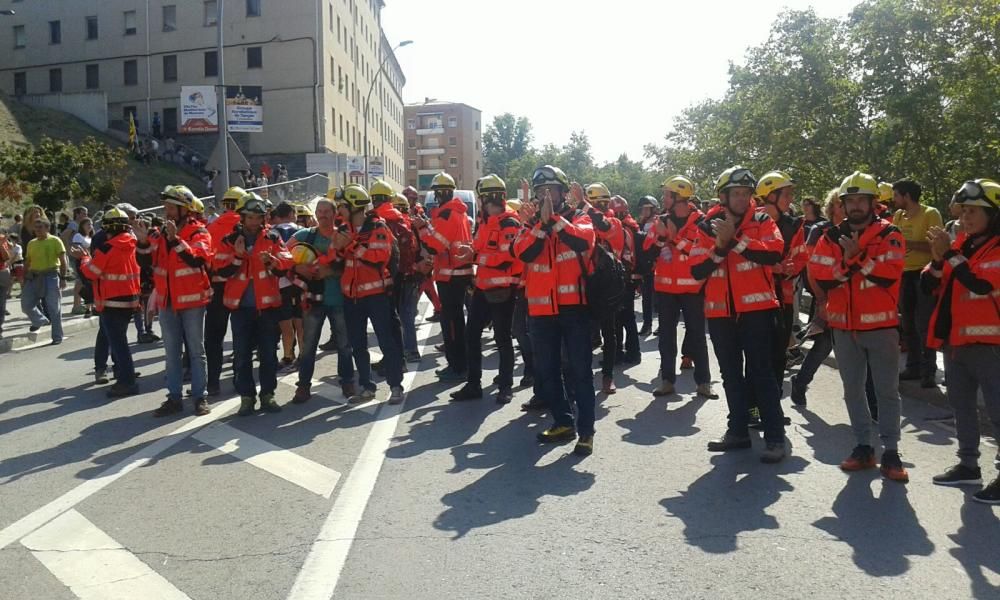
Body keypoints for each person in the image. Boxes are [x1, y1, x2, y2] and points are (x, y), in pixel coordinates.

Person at [810, 171, 908, 482]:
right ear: (842, 203)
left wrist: (856, 260)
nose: (855, 206)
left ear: (872, 202)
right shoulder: (830, 236)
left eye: (860, 200)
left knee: (886, 392)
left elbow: (889, 275)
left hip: (881, 328)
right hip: (844, 327)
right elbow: (821, 278)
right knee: (852, 391)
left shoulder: (889, 233)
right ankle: (864, 446)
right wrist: (854, 263)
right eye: (849, 200)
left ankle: (891, 452)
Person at [689, 166, 786, 463]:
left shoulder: (762, 220)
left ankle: (774, 438)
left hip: (757, 311)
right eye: (736, 194)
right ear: (724, 196)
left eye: (746, 193)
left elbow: (774, 253)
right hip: (721, 313)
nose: (742, 198)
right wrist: (720, 247)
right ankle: (738, 431)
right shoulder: (706, 226)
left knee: (762, 374)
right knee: (730, 375)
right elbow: (697, 270)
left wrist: (734, 241)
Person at [924, 179, 1000, 503]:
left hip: (991, 346)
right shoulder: (962, 245)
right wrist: (938, 260)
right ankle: (968, 465)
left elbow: (980, 284)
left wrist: (950, 254)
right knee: (962, 406)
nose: (965, 217)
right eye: (964, 211)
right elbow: (929, 283)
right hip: (958, 342)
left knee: (998, 412)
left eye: (973, 211)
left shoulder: (994, 248)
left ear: (993, 215)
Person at [513, 165, 596, 456]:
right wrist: (540, 226)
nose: (546, 196)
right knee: (547, 372)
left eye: (551, 190)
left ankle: (586, 432)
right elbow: (522, 252)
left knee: (580, 370)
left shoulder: (578, 217)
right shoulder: (530, 225)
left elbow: (584, 240)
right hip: (541, 312)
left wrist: (556, 221)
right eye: (541, 191)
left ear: (562, 192)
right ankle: (563, 422)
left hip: (574, 308)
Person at [136, 185, 213, 417]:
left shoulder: (199, 231)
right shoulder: (159, 233)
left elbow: (197, 260)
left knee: (196, 351)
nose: (166, 211)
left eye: (171, 207)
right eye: (166, 207)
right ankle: (174, 398)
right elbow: (146, 262)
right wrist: (142, 242)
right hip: (167, 302)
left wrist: (175, 239)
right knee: (171, 353)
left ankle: (200, 397)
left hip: (192, 302)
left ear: (184, 209)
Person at [215, 194, 293, 415]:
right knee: (242, 356)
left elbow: (286, 263)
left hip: (267, 309)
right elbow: (221, 269)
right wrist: (238, 256)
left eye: (258, 217)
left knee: (268, 355)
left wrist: (272, 261)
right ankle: (247, 398)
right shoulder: (229, 240)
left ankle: (268, 395)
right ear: (242, 217)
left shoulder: (272, 237)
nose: (255, 222)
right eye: (250, 217)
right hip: (241, 309)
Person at [451, 174, 521, 404]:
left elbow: (506, 259)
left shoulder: (509, 224)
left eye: (481, 198)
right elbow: (481, 247)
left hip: (503, 290)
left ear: (487, 198)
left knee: (502, 339)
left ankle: (505, 386)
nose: (479, 202)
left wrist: (475, 257)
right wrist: (470, 250)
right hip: (483, 288)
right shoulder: (486, 222)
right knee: (471, 335)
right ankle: (473, 384)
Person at [336, 184, 405, 404]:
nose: (340, 210)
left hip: (377, 296)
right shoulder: (343, 229)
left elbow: (378, 258)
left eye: (342, 205)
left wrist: (351, 245)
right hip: (352, 297)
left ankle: (396, 386)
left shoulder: (377, 227)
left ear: (354, 206)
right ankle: (367, 387)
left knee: (386, 341)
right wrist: (337, 249)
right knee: (358, 345)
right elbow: (335, 258)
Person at [648, 175, 715, 399]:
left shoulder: (701, 222)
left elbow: (699, 252)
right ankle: (667, 381)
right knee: (666, 337)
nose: (663, 198)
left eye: (667, 194)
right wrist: (660, 237)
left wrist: (674, 238)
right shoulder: (660, 220)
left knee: (697, 336)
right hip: (665, 290)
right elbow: (648, 252)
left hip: (692, 290)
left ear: (678, 197)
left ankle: (704, 383)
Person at [289, 198, 356, 403]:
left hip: (340, 299)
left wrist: (332, 271)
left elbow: (354, 263)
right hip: (313, 301)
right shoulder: (305, 235)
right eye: (319, 211)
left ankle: (347, 382)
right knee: (308, 346)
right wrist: (297, 267)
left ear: (335, 214)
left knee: (344, 345)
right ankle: (303, 386)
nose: (322, 214)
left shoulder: (344, 237)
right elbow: (283, 255)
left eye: (327, 211)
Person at [71, 208, 141, 398]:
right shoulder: (132, 243)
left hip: (111, 302)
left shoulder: (107, 248)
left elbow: (90, 272)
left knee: (118, 345)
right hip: (130, 300)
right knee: (121, 342)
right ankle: (124, 376)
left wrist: (84, 258)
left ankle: (127, 382)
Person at [414, 172, 474, 381]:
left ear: (439, 194)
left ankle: (456, 366)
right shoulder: (459, 213)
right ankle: (460, 364)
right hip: (459, 272)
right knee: (456, 322)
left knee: (451, 324)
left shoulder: (447, 214)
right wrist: (427, 225)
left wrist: (421, 229)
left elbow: (435, 245)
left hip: (450, 276)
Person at [755, 171, 807, 386]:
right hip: (755, 300)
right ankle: (755, 402)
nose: (791, 199)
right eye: (786, 194)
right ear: (770, 196)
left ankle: (773, 402)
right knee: (757, 356)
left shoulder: (794, 226)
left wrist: (791, 269)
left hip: (783, 299)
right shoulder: (751, 221)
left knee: (779, 354)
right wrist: (771, 267)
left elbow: (801, 257)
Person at [894, 178, 942, 388]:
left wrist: (908, 243)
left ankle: (928, 370)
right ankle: (913, 367)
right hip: (903, 275)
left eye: (896, 195)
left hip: (924, 275)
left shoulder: (930, 213)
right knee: (907, 324)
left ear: (906, 196)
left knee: (925, 323)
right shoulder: (898, 216)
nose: (894, 199)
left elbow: (937, 246)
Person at [369, 179, 416, 371]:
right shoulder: (400, 217)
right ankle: (398, 358)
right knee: (396, 318)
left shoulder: (376, 219)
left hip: (384, 275)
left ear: (374, 199)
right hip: (402, 273)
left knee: (386, 321)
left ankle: (393, 360)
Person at [204, 186, 246, 396]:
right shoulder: (248, 227)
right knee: (241, 336)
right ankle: (240, 379)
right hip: (241, 288)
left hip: (217, 288)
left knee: (214, 338)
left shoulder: (211, 227)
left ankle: (212, 382)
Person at [584, 182, 624, 394]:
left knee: (609, 332)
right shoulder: (582, 222)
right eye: (598, 203)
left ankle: (608, 375)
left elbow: (604, 227)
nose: (602, 206)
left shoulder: (613, 222)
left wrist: (584, 206)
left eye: (603, 203)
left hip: (607, 284)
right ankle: (583, 374)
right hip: (586, 281)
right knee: (584, 332)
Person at [21, 217, 68, 344]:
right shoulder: (32, 243)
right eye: (35, 228)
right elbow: (28, 262)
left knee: (54, 308)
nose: (37, 230)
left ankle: (57, 337)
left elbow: (63, 261)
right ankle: (40, 320)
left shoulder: (55, 241)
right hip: (34, 276)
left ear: (47, 228)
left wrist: (63, 278)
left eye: (40, 227)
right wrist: (24, 278)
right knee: (26, 304)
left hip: (51, 275)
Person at [270, 201, 303, 369]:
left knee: (285, 322)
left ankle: (288, 355)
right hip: (300, 281)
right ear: (291, 214)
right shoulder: (301, 231)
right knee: (300, 321)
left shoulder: (271, 233)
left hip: (280, 283)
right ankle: (303, 356)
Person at [610, 195, 641, 364]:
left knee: (621, 318)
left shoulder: (623, 229)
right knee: (626, 318)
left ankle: (622, 353)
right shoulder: (631, 226)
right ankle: (630, 352)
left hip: (623, 279)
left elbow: (625, 256)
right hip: (630, 278)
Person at [392, 192, 423, 363]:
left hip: (403, 276)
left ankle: (408, 351)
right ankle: (410, 351)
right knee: (408, 315)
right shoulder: (412, 225)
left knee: (403, 315)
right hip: (414, 275)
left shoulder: (397, 227)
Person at [636, 195, 660, 335]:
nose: (644, 211)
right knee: (646, 297)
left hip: (657, 265)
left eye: (647, 209)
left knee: (660, 298)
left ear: (653, 209)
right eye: (643, 209)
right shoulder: (641, 224)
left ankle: (662, 325)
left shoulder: (659, 223)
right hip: (645, 265)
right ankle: (647, 324)